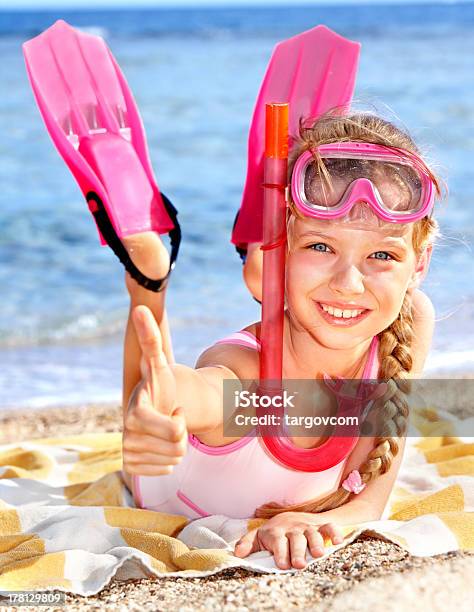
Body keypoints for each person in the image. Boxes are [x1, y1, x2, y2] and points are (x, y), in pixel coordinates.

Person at [121, 111, 440, 570]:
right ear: (282, 250)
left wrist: (315, 524)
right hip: (164, 481)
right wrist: (153, 408)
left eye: (383, 254)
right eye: (320, 247)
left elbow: (371, 503)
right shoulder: (248, 373)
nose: (349, 284)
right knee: (147, 394)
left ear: (420, 263)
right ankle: (148, 284)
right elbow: (195, 392)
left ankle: (249, 263)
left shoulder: (407, 323)